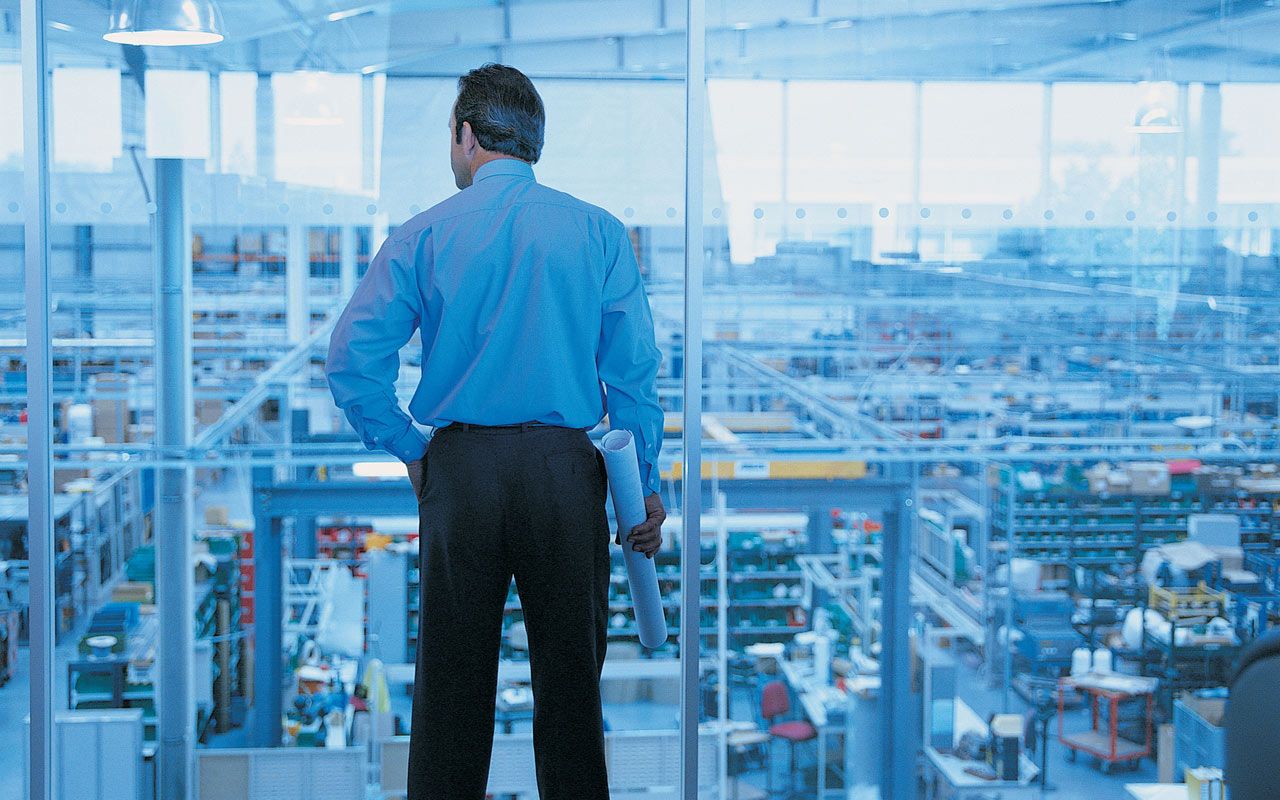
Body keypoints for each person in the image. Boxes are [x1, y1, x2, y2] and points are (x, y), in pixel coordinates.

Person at [325, 63, 666, 800]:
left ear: (466, 136)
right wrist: (644, 494)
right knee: (572, 695)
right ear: (533, 144)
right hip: (566, 474)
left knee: (451, 696)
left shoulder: (421, 236)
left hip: (463, 472)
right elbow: (634, 378)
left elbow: (353, 361)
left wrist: (412, 448)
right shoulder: (599, 233)